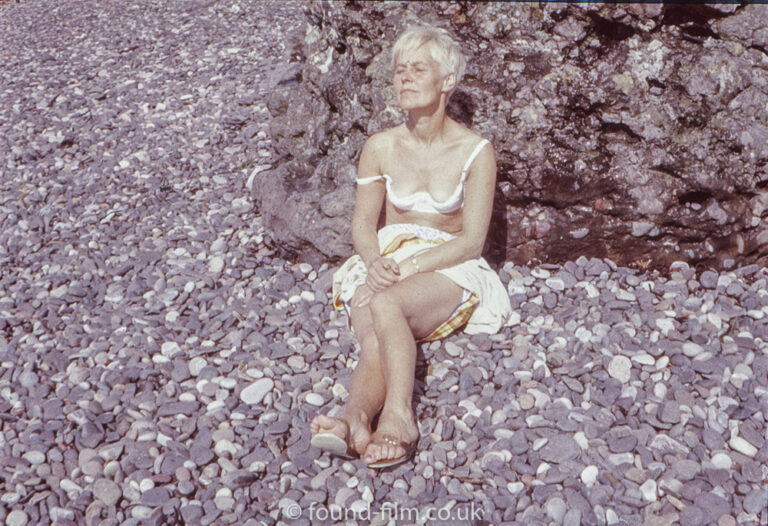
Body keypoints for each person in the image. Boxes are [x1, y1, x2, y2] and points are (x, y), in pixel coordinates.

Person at [310, 24, 512, 469]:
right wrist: (375, 261)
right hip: (387, 257)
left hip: (447, 261)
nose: (404, 77)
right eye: (400, 70)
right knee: (374, 337)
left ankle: (401, 417)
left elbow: (472, 240)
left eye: (418, 69)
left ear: (448, 81)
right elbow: (363, 225)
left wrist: (405, 268)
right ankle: (356, 419)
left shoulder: (476, 152)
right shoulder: (380, 146)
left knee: (386, 308)